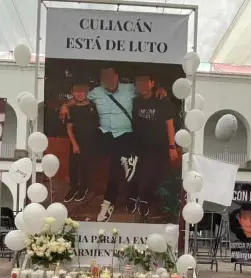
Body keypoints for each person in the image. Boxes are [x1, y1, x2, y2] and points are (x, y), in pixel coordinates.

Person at [59, 66, 167, 222]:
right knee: (90, 144)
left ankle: (109, 202)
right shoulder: (96, 92)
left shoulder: (130, 89)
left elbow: (148, 92)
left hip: (125, 133)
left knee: (115, 165)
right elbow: (78, 98)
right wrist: (65, 105)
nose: (108, 81)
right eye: (104, 78)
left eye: (111, 77)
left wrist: (160, 90)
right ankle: (88, 184)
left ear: (117, 77)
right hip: (104, 134)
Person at [127, 72, 178, 216]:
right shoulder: (134, 101)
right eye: (138, 82)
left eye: (145, 81)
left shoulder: (162, 101)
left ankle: (144, 199)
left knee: (152, 174)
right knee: (134, 172)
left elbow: (169, 124)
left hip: (157, 146)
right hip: (138, 144)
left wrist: (172, 146)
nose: (142, 85)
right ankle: (132, 196)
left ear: (152, 83)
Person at [64, 80, 99, 202]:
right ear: (72, 92)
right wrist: (74, 144)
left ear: (87, 92)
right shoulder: (71, 108)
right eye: (76, 92)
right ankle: (73, 187)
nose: (79, 94)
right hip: (76, 142)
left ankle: (83, 189)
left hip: (91, 142)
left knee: (85, 166)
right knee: (73, 166)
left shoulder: (93, 106)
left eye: (82, 92)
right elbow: (69, 128)